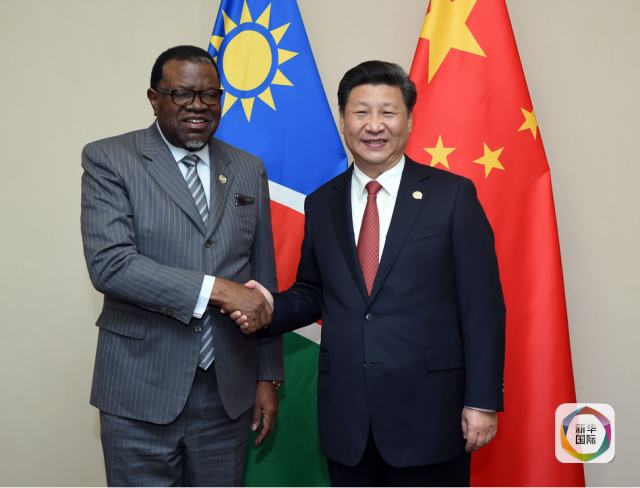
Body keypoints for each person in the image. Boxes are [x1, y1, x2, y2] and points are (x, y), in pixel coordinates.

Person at [231, 61, 505, 486]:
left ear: (408, 121)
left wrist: (482, 401)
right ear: (344, 121)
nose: (374, 125)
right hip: (348, 420)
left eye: (388, 112)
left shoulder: (451, 196)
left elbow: (482, 307)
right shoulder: (322, 203)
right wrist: (268, 306)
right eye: (361, 112)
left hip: (431, 414)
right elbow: (313, 292)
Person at [80, 45, 281, 487]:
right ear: (154, 99)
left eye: (210, 95)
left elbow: (261, 281)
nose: (198, 105)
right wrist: (218, 289)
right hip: (140, 389)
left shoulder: (247, 168)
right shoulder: (110, 159)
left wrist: (268, 375)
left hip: (227, 395)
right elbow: (111, 264)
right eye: (182, 94)